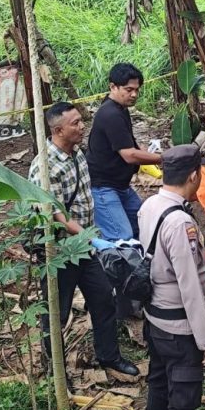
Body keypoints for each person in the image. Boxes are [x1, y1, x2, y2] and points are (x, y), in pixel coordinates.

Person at [28, 102, 139, 376]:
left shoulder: (77, 153)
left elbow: (86, 198)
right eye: (75, 123)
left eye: (81, 121)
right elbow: (56, 215)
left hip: (86, 248)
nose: (82, 127)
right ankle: (54, 371)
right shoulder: (45, 167)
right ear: (58, 130)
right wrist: (91, 238)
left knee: (103, 301)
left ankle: (109, 357)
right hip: (60, 251)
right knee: (56, 313)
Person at [138, 144, 205, 410]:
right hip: (178, 327)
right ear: (194, 176)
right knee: (183, 403)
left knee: (159, 383)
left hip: (155, 318)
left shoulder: (149, 205)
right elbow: (190, 288)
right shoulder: (179, 222)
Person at [86, 62, 161, 242]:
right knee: (122, 238)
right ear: (113, 86)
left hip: (121, 185)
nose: (134, 94)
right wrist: (163, 159)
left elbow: (131, 147)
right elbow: (129, 155)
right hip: (104, 187)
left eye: (137, 89)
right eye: (128, 89)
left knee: (142, 226)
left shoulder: (120, 109)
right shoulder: (110, 114)